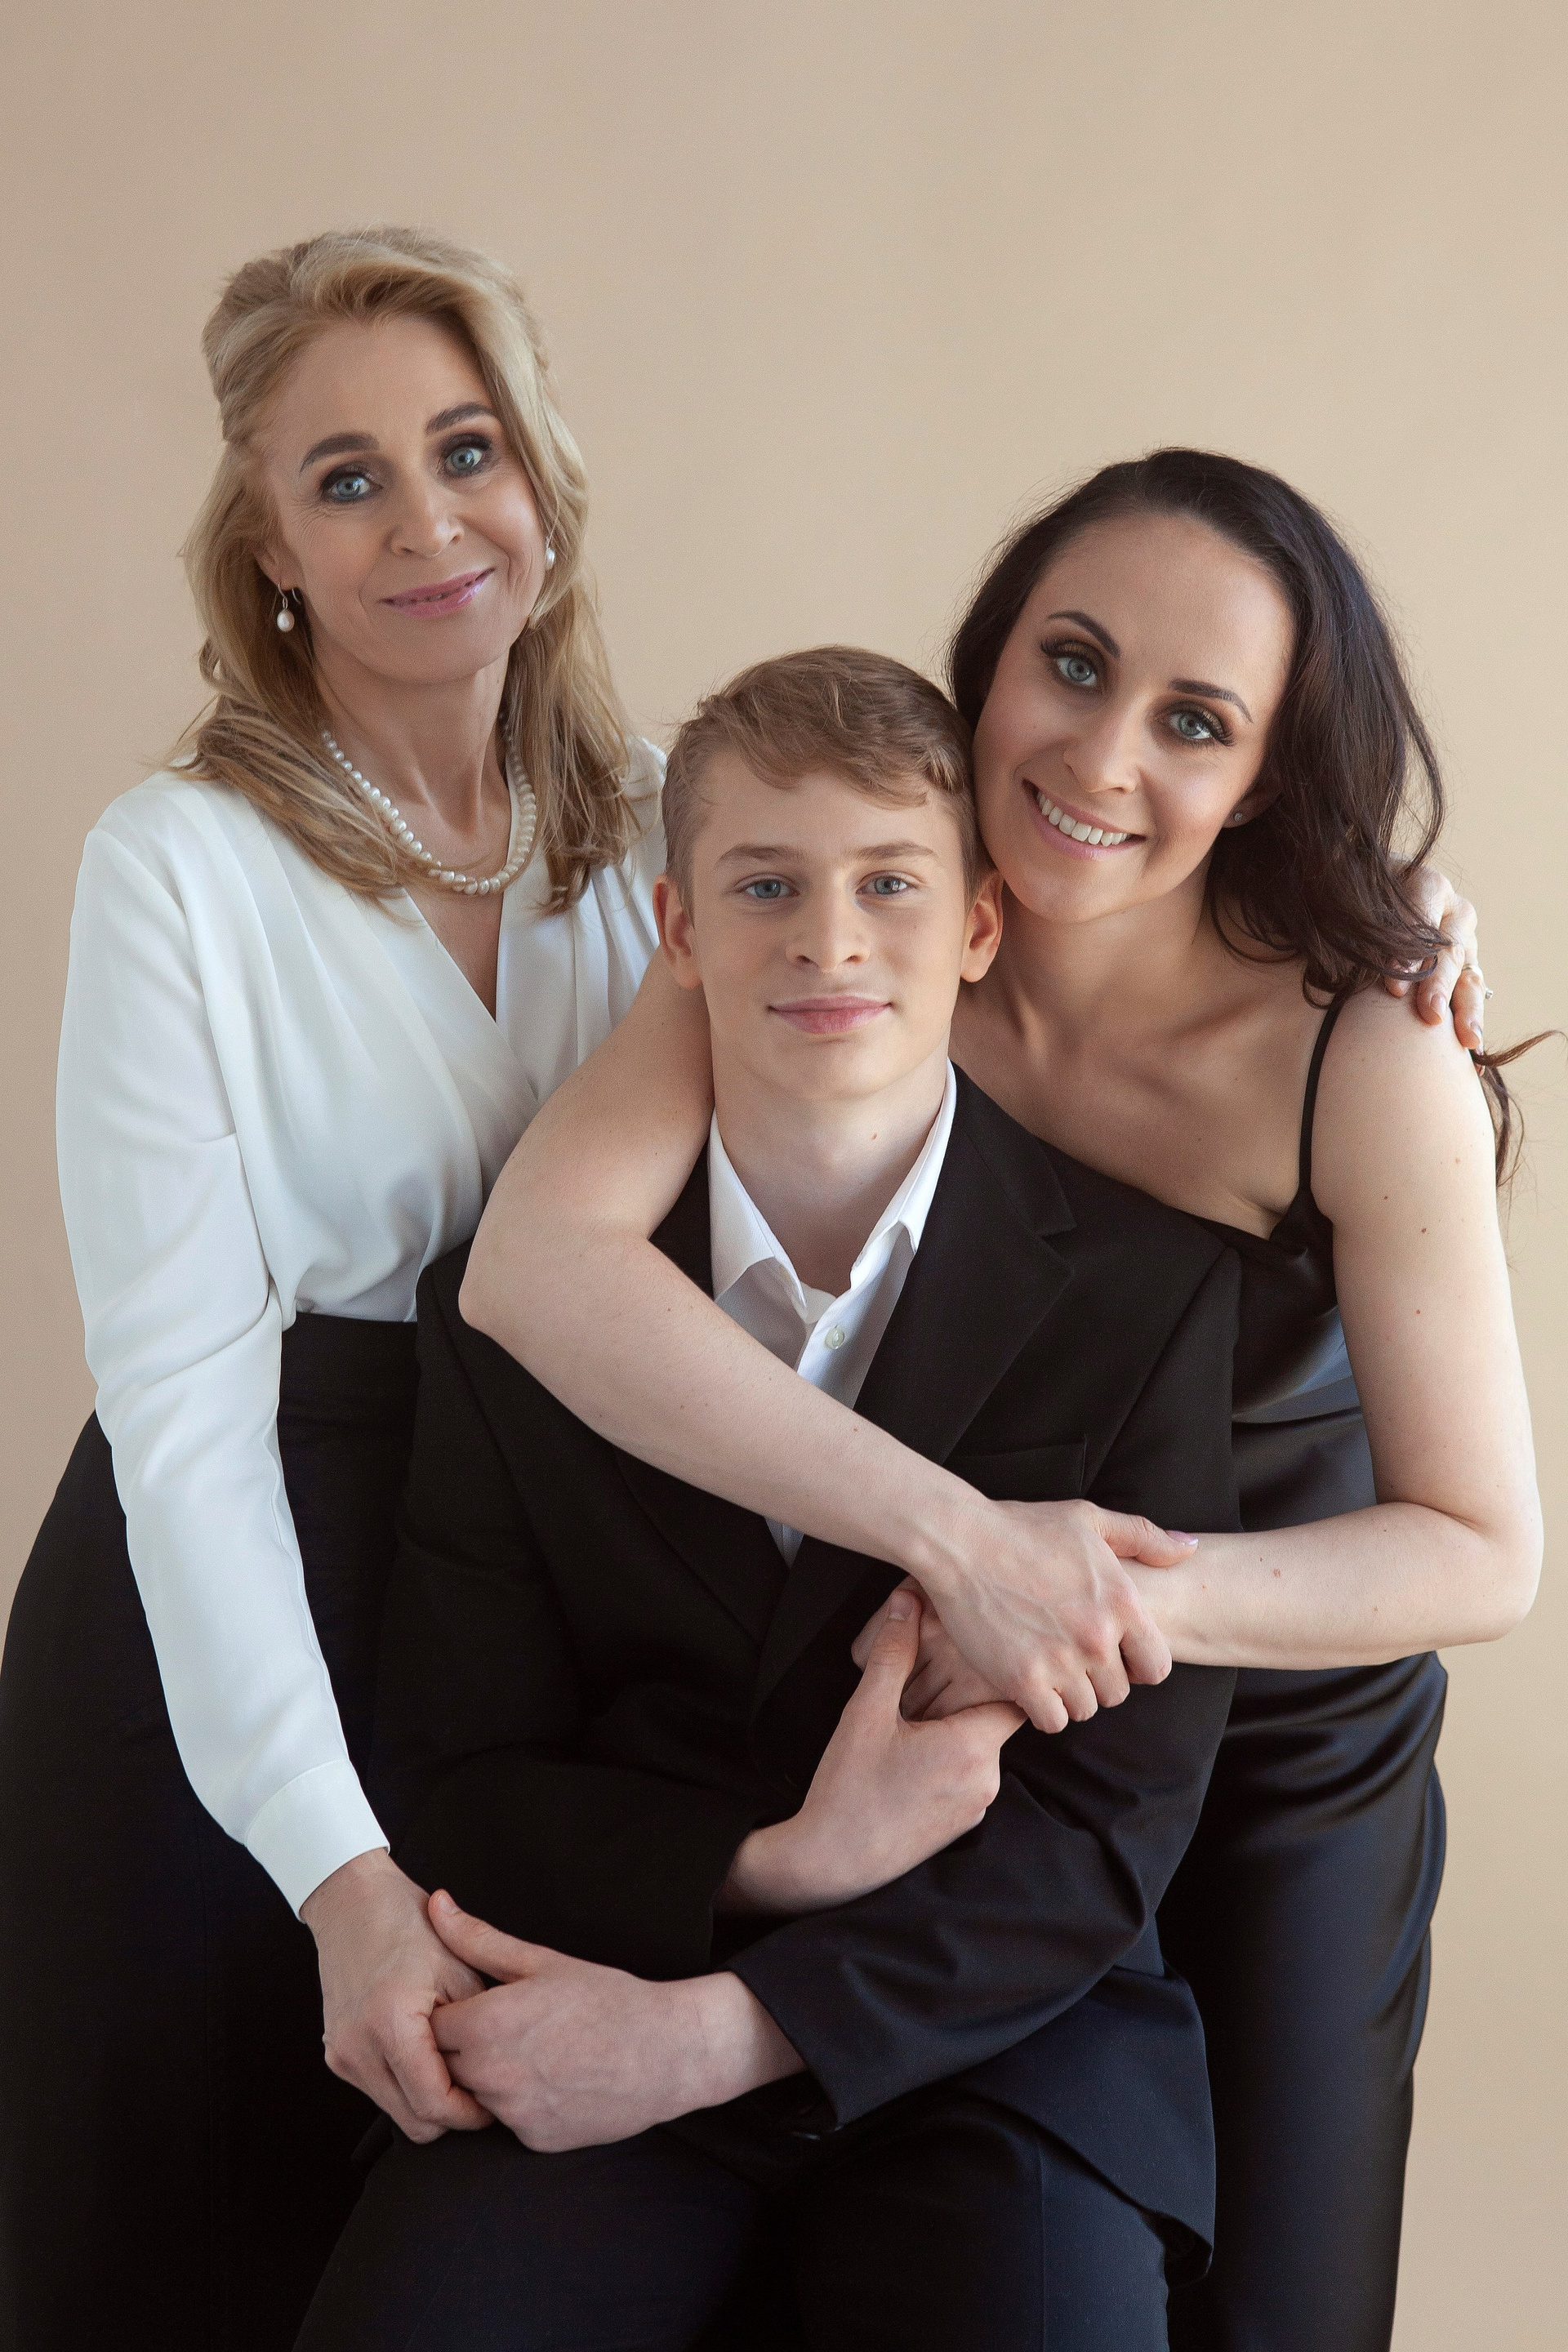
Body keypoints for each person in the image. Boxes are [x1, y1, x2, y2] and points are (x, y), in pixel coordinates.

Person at [461, 452, 1541, 2351]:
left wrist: (1073, 1594)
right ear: (992, 655)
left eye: (1195, 721)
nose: (1103, 757)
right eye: (1074, 662)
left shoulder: (1364, 1051)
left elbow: (1481, 1554)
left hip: (1276, 1731)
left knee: (1284, 2308)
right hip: (963, 1714)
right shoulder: (873, 914)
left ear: (1266, 775)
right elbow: (535, 1268)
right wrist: (961, 1551)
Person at [300, 647, 1250, 2352]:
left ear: (979, 926)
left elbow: (1109, 1825)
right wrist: (760, 1873)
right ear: (677, 929)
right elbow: (456, 1774)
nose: (828, 940)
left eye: (890, 883)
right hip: (597, 1989)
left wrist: (729, 2033)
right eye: (764, 887)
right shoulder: (510, 1319)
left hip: (998, 2045)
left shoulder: (1150, 1295)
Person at [0, 227, 671, 2350]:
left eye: (467, 450)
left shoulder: (662, 834)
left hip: (531, 1615)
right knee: (163, 2266)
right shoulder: (178, 866)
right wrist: (333, 1866)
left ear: (544, 484)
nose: (426, 521)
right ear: (269, 547)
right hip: (223, 1631)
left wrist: (1374, 959)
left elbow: (970, 969)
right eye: (347, 477)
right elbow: (185, 1419)